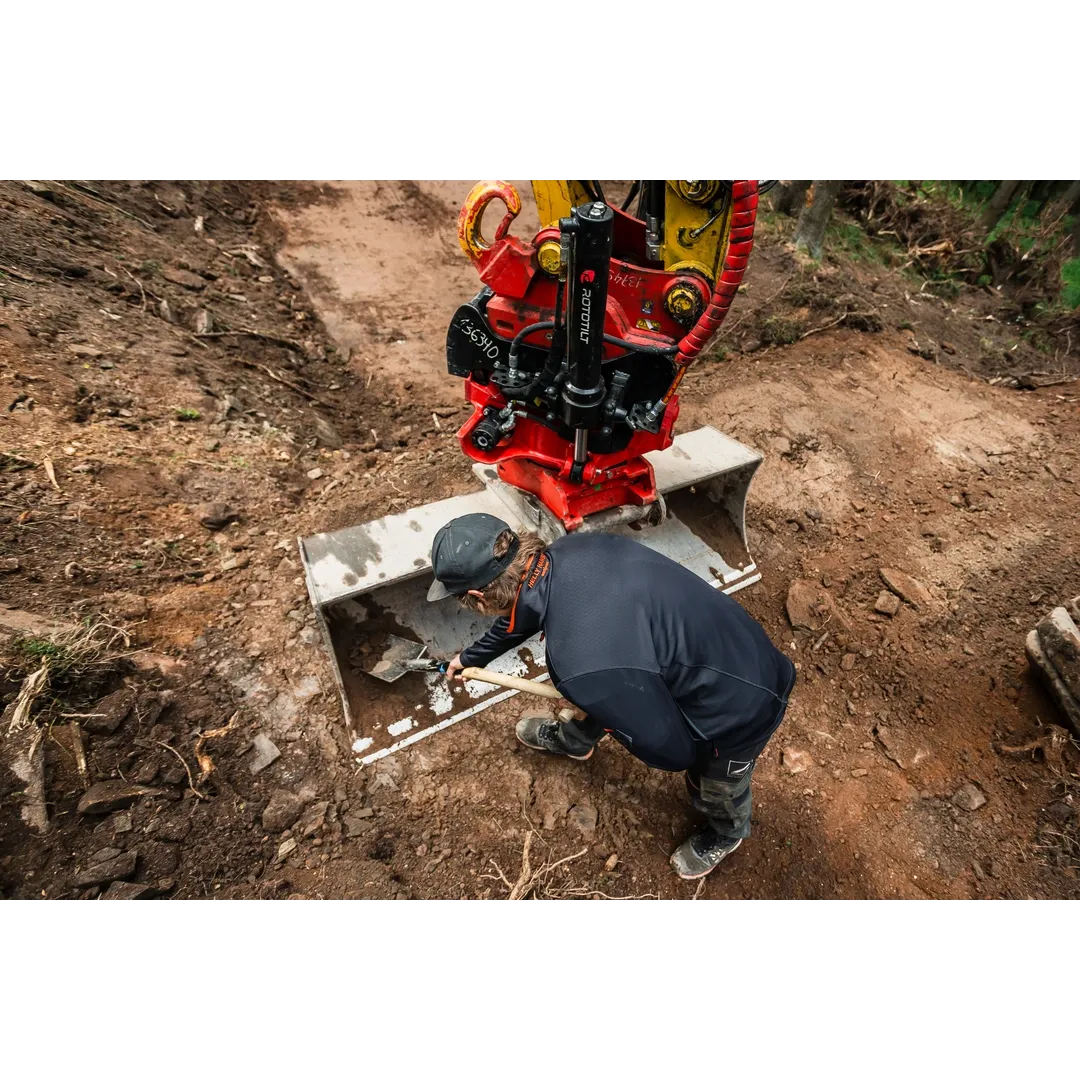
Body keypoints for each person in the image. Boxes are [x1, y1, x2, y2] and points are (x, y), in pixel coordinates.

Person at [426, 512, 796, 880]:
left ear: (476, 596)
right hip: (711, 645)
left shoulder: (580, 663)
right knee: (610, 691)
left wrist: (605, 708)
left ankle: (727, 831)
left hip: (743, 703)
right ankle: (576, 740)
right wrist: (469, 658)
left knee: (714, 783)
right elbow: (524, 614)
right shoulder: (572, 549)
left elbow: (672, 752)